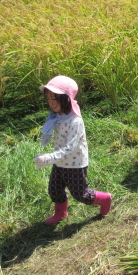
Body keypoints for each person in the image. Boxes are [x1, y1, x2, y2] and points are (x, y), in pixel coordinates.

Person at [32, 75, 112, 225]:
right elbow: (52, 129)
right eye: (48, 99)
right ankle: (61, 213)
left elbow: (70, 147)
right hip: (60, 161)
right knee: (54, 189)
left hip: (74, 164)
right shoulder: (57, 115)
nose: (50, 103)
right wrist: (46, 138)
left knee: (81, 194)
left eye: (53, 99)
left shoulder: (75, 121)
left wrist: (49, 158)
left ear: (65, 98)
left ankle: (105, 199)